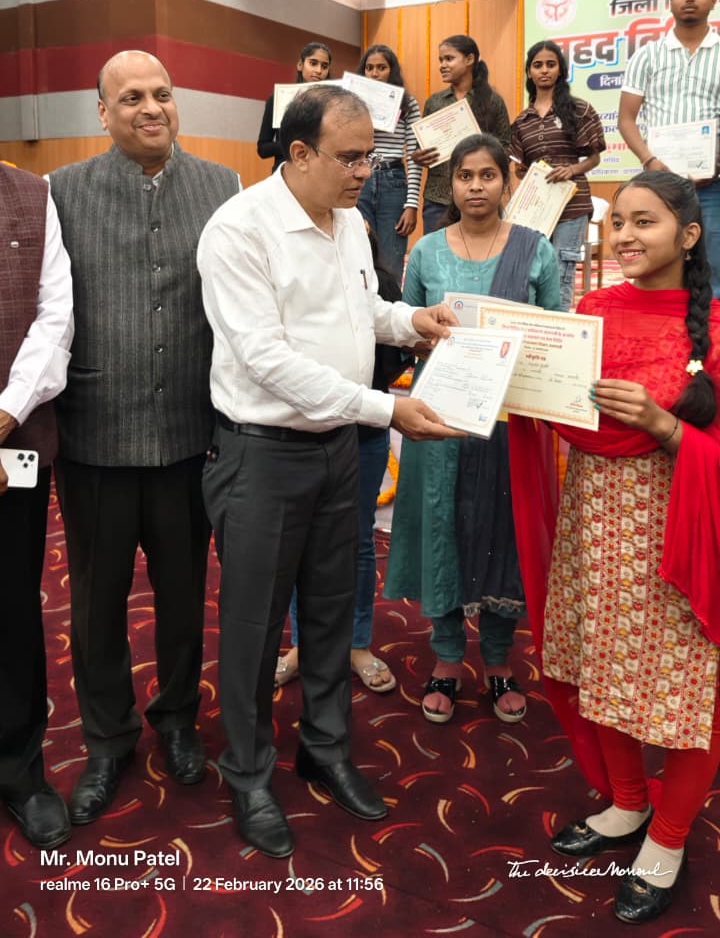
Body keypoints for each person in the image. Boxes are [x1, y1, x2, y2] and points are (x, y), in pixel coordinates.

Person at [197, 85, 461, 860]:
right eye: (350, 158)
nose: (364, 173)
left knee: (330, 610)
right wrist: (384, 410)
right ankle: (248, 772)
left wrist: (412, 322)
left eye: (370, 156)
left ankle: (325, 746)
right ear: (298, 152)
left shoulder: (348, 223)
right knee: (253, 625)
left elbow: (363, 313)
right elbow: (266, 358)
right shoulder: (239, 228)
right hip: (262, 454)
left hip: (336, 450)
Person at [515, 171, 720, 924]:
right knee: (601, 669)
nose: (626, 235)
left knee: (688, 695)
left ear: (688, 236)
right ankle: (628, 803)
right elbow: (560, 406)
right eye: (619, 221)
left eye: (645, 222)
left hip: (680, 537)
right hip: (596, 526)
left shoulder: (716, 327)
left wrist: (666, 428)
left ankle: (668, 838)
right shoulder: (591, 313)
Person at [49, 50, 240, 826]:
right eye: (130, 97)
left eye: (162, 93)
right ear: (103, 112)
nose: (150, 107)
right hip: (94, 435)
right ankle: (106, 739)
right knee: (96, 605)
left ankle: (178, 719)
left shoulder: (223, 187)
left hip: (189, 435)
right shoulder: (61, 191)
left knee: (185, 598)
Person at [384, 134, 561, 726]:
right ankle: (445, 657)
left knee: (503, 530)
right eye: (465, 176)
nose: (477, 186)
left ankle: (499, 658)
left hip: (513, 422)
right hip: (441, 419)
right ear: (451, 183)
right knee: (443, 529)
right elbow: (408, 328)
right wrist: (426, 340)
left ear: (507, 182)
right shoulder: (427, 251)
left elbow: (557, 331)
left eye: (488, 175)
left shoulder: (535, 250)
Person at [275, 225, 410, 694]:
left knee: (357, 540)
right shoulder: (296, 279)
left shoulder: (380, 285)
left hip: (365, 432)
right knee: (301, 541)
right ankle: (302, 643)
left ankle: (356, 642)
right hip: (304, 429)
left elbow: (393, 359)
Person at [0, 162, 73, 849]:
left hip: (12, 442)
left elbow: (54, 319)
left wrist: (6, 411)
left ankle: (19, 770)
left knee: (13, 607)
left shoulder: (32, 194)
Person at [618, 0, 720, 296]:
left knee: (714, 270)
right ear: (670, 0)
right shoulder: (647, 55)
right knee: (658, 270)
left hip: (713, 186)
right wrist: (649, 161)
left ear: (713, 0)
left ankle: (710, 330)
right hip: (659, 185)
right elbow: (626, 119)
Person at [510, 40, 606, 310]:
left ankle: (560, 326)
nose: (544, 70)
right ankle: (537, 324)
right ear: (529, 72)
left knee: (562, 269)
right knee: (534, 268)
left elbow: (594, 157)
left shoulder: (579, 109)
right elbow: (519, 166)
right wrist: (524, 172)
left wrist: (571, 170)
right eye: (537, 65)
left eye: (550, 64)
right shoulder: (522, 121)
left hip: (572, 204)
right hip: (537, 208)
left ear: (560, 70)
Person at [412, 35, 512, 234]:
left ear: (469, 59)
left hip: (479, 198)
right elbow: (419, 147)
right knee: (437, 251)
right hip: (438, 199)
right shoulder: (434, 102)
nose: (442, 65)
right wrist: (418, 157)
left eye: (449, 59)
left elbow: (506, 148)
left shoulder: (493, 101)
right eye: (440, 60)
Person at [355, 44, 422, 283]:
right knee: (360, 254)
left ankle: (391, 304)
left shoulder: (408, 103)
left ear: (391, 70)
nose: (374, 73)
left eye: (381, 67)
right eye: (369, 68)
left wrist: (411, 204)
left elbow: (414, 154)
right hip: (360, 179)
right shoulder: (352, 104)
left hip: (393, 181)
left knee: (391, 260)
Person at [256, 40, 332, 171]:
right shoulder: (278, 98)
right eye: (313, 63)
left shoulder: (331, 103)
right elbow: (263, 149)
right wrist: (296, 144)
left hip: (319, 173)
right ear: (300, 65)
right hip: (285, 172)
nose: (319, 70)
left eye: (324, 66)